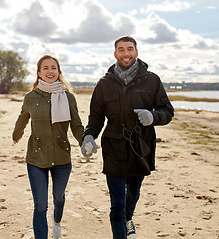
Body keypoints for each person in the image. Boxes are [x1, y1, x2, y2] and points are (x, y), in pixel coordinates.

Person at [81, 36, 174, 239]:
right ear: (115, 54)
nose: (126, 53)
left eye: (129, 49)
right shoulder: (104, 84)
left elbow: (167, 111)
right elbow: (96, 118)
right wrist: (88, 136)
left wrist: (153, 117)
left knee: (133, 193)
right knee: (117, 205)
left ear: (136, 52)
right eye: (121, 50)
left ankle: (128, 218)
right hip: (113, 146)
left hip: (142, 146)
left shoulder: (152, 80)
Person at [12, 55, 84, 239]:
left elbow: (76, 125)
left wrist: (85, 141)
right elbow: (22, 119)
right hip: (36, 158)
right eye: (46, 68)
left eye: (54, 68)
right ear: (39, 73)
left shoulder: (68, 97)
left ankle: (57, 221)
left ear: (59, 72)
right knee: (40, 206)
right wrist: (16, 135)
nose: (50, 71)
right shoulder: (30, 98)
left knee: (58, 198)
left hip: (61, 157)